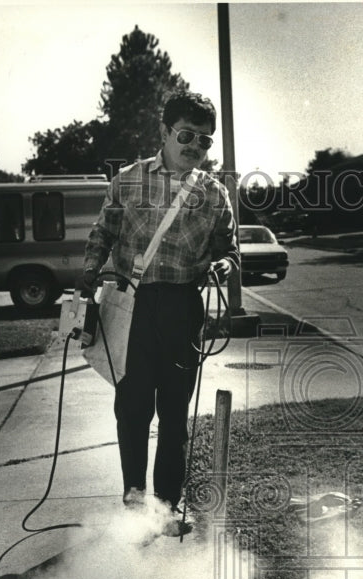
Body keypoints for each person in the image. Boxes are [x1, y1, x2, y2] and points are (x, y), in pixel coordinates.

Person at [80, 90, 240, 536]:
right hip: (132, 305)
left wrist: (225, 265)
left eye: (205, 141)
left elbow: (229, 249)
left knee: (174, 415)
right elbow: (102, 233)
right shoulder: (127, 181)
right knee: (132, 412)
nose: (195, 147)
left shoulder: (213, 194)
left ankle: (167, 511)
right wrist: (90, 272)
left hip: (182, 308)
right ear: (165, 132)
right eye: (187, 135)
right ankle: (135, 507)